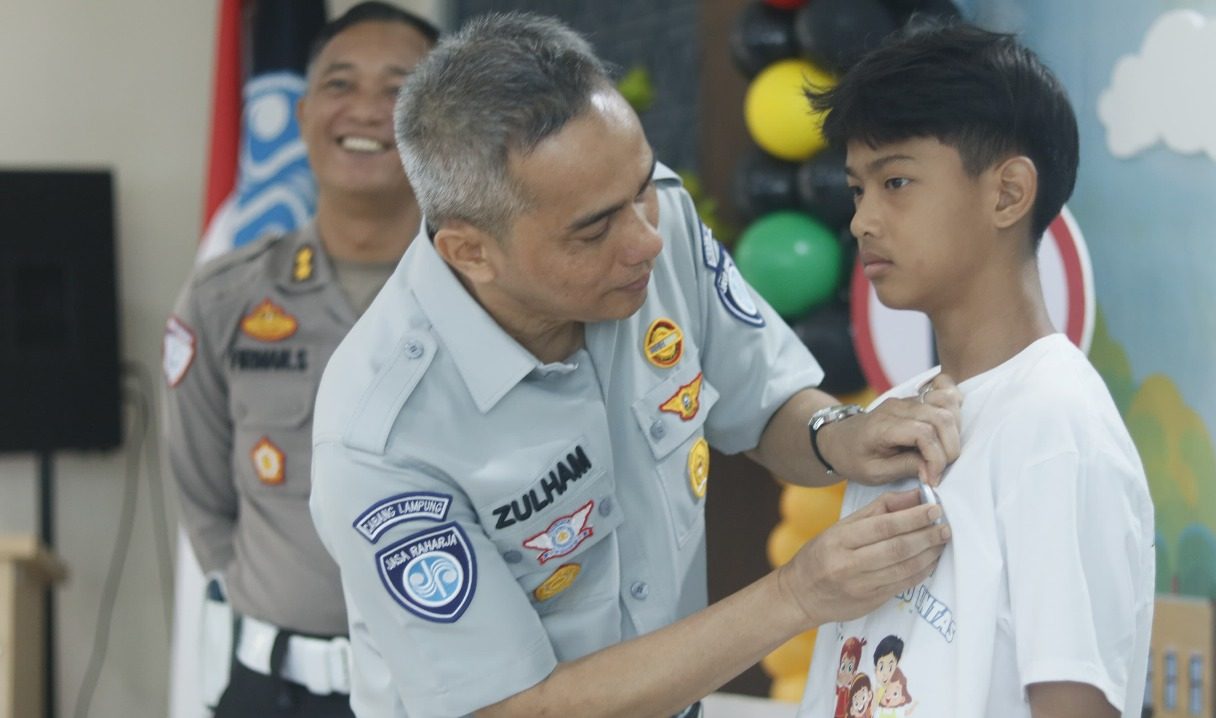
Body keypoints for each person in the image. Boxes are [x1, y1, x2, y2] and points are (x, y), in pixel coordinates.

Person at [308, 12, 961, 718]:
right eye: (594, 230)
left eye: (643, 185)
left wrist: (842, 435)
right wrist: (798, 595)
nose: (646, 240)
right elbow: (513, 707)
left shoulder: (651, 218)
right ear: (470, 251)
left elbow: (766, 402)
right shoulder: (381, 439)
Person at [795, 22, 1155, 718]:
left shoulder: (1056, 424)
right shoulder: (895, 419)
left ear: (1008, 193)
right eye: (858, 189)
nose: (863, 221)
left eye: (896, 181)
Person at [162, 4, 438, 716]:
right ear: (302, 112)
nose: (366, 109)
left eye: (398, 87)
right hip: (277, 691)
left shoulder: (496, 295)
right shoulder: (226, 297)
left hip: (447, 690)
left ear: (446, 117)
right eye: (340, 84)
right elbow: (203, 496)